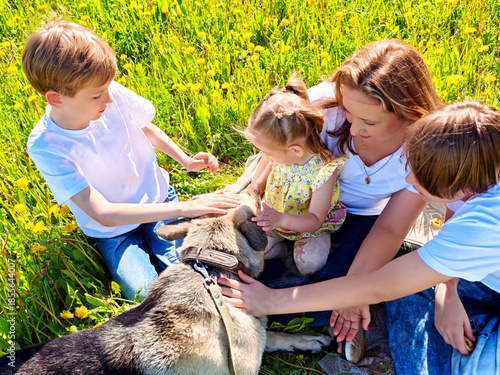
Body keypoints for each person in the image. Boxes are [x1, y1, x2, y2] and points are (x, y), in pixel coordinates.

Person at [220, 100, 500, 375]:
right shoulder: (479, 165)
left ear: (456, 186)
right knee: (408, 300)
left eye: (419, 180)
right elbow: (452, 216)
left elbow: (381, 285)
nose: (410, 182)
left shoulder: (483, 224)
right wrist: (446, 290)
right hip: (484, 277)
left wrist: (270, 301)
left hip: (484, 274)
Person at [22, 21, 240, 301]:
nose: (110, 99)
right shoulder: (46, 145)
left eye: (108, 87)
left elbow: (144, 127)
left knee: (191, 272)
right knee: (143, 292)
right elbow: (101, 211)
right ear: (57, 99)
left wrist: (185, 160)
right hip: (112, 230)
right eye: (98, 94)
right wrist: (189, 206)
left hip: (156, 198)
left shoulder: (110, 96)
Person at [249, 39, 441, 347]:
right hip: (297, 201)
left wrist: (353, 294)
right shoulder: (324, 108)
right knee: (309, 285)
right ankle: (266, 288)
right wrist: (251, 192)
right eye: (350, 113)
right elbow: (277, 152)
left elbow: (391, 228)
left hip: (364, 217)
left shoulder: (423, 152)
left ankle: (277, 294)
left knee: (338, 293)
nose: (353, 129)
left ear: (408, 112)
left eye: (369, 121)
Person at [242, 76, 348, 277]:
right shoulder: (283, 155)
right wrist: (254, 190)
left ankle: (296, 256)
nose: (268, 157)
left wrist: (281, 219)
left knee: (310, 261)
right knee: (253, 247)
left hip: (309, 228)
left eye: (270, 153)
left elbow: (315, 219)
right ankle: (283, 252)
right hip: (276, 220)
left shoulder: (323, 171)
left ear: (296, 150)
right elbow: (268, 168)